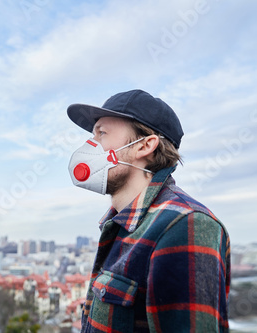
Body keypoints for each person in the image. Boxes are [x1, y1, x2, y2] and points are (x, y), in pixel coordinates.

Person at [67, 89, 230, 333]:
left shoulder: (184, 225)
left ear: (145, 145)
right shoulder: (124, 224)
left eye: (102, 133)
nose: (91, 146)